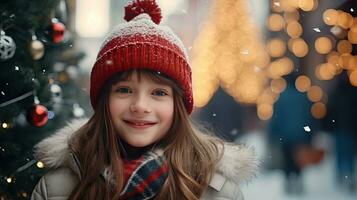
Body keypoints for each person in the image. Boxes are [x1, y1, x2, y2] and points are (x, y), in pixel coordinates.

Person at [30, 0, 258, 199]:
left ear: (177, 105)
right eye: (124, 90)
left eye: (159, 93)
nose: (140, 106)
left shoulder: (218, 192)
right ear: (104, 100)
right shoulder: (57, 188)